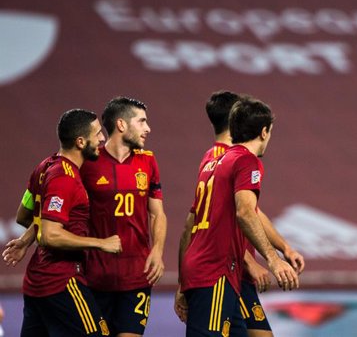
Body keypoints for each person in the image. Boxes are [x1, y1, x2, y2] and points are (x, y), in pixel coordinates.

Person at [175, 91, 305, 337]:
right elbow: (245, 213)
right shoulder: (246, 161)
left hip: (220, 271)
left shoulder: (216, 161)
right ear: (264, 132)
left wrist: (284, 249)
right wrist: (273, 260)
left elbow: (197, 220)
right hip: (216, 269)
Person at [18, 109, 122, 336]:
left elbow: (24, 215)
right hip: (61, 280)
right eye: (97, 134)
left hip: (36, 282)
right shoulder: (66, 179)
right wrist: (100, 243)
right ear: (80, 141)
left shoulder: (44, 166)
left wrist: (26, 239)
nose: (102, 138)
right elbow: (50, 235)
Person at [80, 97, 167, 337]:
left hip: (137, 277)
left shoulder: (148, 160)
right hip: (95, 278)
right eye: (142, 122)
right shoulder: (88, 163)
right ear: (121, 125)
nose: (147, 128)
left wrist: (158, 250)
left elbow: (157, 213)